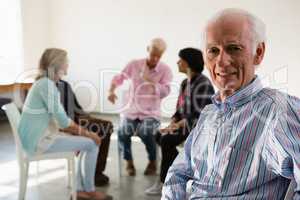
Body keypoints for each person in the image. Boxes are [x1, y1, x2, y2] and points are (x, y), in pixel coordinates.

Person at [162, 8, 300, 199]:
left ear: (258, 53)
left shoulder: (280, 110)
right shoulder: (210, 112)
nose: (222, 61)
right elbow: (178, 173)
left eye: (234, 48)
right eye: (213, 50)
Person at [18, 48, 112, 200]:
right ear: (58, 65)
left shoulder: (43, 83)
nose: (68, 64)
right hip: (38, 142)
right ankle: (89, 190)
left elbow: (60, 121)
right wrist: (89, 133)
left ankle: (82, 190)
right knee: (92, 143)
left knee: (87, 144)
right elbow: (63, 122)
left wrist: (80, 134)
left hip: (36, 138)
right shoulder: (46, 85)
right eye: (66, 62)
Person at [145, 48, 215, 195]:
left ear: (188, 62)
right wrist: (172, 123)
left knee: (166, 140)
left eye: (180, 59)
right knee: (158, 135)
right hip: (184, 124)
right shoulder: (185, 83)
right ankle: (182, 168)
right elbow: (180, 109)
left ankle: (165, 182)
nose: (177, 62)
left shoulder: (203, 84)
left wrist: (176, 126)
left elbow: (200, 115)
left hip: (198, 127)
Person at [108, 38, 173, 176]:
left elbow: (165, 92)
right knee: (122, 133)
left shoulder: (165, 70)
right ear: (147, 49)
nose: (155, 58)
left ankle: (152, 161)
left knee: (146, 132)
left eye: (159, 56)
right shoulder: (134, 64)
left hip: (151, 114)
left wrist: (149, 81)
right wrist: (111, 91)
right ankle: (129, 161)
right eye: (153, 54)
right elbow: (119, 78)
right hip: (131, 112)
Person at [56, 79, 113, 186]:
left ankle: (95, 171)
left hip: (77, 117)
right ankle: (96, 173)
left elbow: (76, 107)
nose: (66, 68)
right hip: (66, 123)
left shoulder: (63, 84)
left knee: (106, 126)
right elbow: (59, 118)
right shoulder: (47, 86)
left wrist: (87, 118)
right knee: (104, 127)